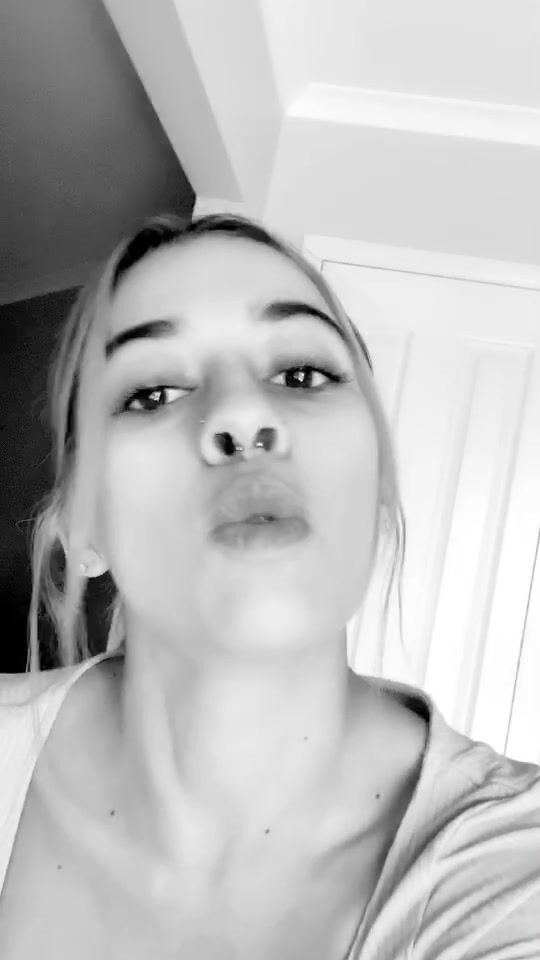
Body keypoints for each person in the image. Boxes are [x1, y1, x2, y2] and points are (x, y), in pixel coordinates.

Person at [0, 214, 538, 959]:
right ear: (84, 525)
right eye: (152, 392)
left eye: (301, 375)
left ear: (374, 482)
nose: (242, 414)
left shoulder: (512, 868)